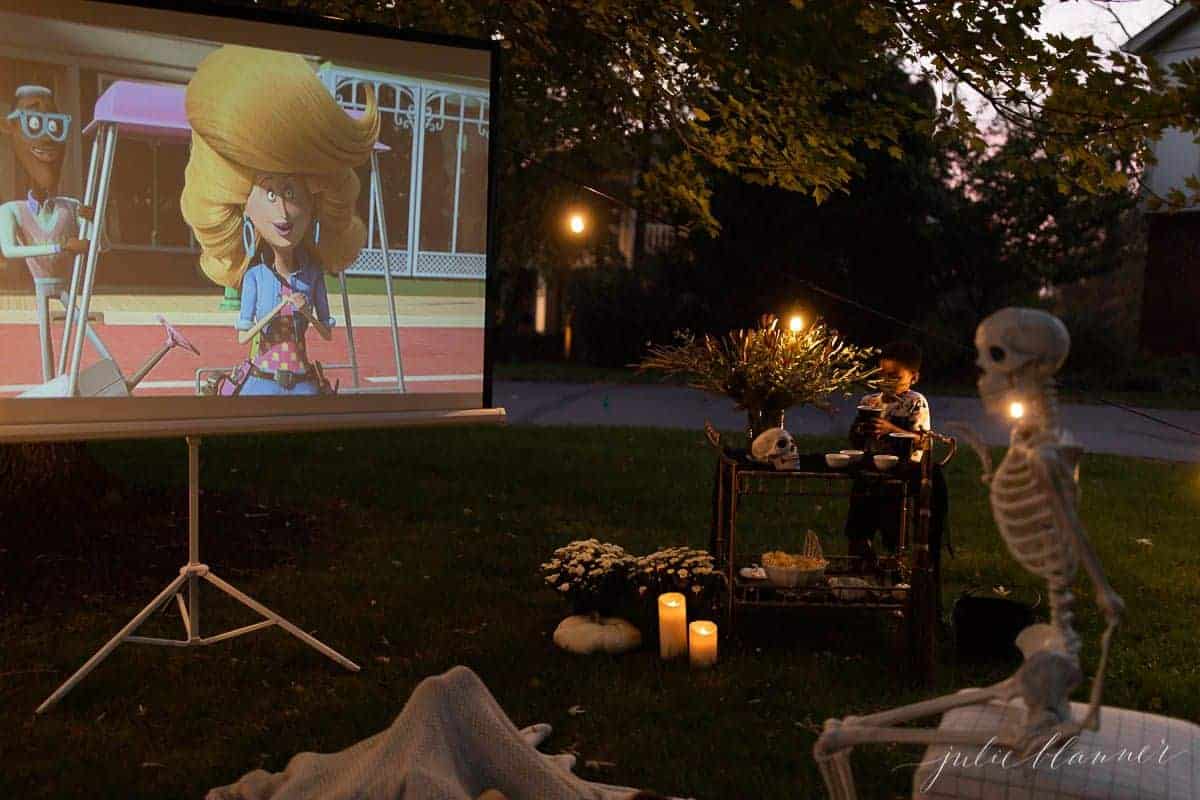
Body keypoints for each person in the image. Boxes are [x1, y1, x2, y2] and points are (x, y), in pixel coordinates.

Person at [180, 45, 379, 396]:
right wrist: (273, 314)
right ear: (241, 202)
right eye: (269, 194)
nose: (283, 213)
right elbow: (243, 334)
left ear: (316, 201)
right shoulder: (255, 277)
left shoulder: (314, 276)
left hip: (303, 380)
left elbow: (328, 332)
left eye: (293, 194)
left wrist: (309, 313)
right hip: (262, 377)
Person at [0, 84, 112, 381]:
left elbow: (99, 247)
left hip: (65, 289)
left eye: (55, 124)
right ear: (11, 127)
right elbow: (10, 251)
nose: (48, 135)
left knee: (90, 336)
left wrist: (94, 223)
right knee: (45, 345)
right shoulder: (12, 210)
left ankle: (108, 373)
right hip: (40, 285)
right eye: (34, 122)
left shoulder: (71, 206)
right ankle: (51, 387)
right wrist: (60, 248)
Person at [844, 341, 936, 562]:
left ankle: (894, 562)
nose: (886, 382)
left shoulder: (915, 402)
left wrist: (891, 429)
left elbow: (922, 440)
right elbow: (855, 438)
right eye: (882, 375)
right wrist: (860, 429)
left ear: (913, 377)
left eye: (894, 377)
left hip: (898, 473)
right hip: (869, 471)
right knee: (859, 518)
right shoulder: (870, 401)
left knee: (892, 522)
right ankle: (861, 558)